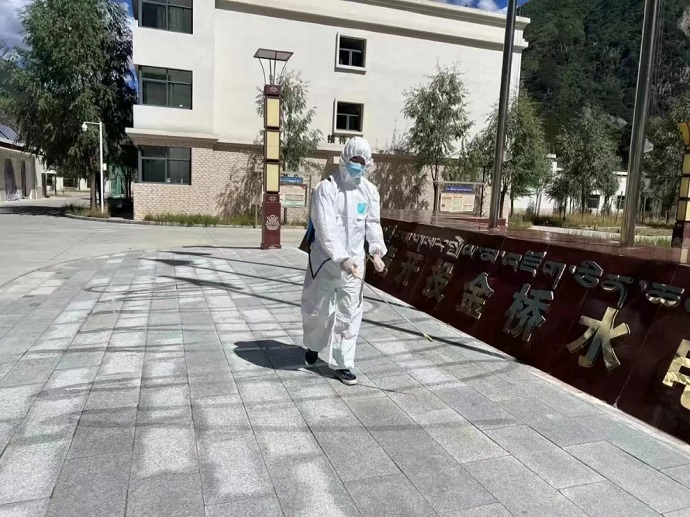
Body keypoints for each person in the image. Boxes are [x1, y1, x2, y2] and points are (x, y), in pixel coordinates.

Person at [301, 137, 387, 385]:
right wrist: (341, 258)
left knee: (349, 313)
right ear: (345, 158)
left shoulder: (369, 191)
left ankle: (343, 364)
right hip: (326, 261)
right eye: (354, 160)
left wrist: (377, 252)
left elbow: (373, 223)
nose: (358, 165)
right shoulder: (326, 189)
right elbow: (325, 228)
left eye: (362, 161)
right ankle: (314, 345)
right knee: (320, 312)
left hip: (355, 264)